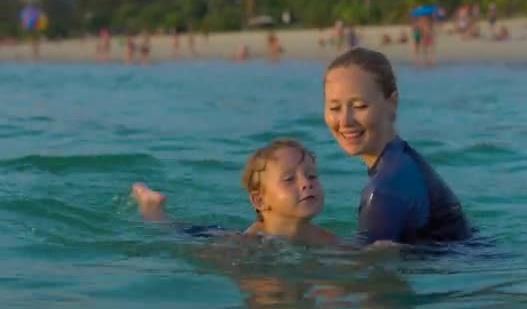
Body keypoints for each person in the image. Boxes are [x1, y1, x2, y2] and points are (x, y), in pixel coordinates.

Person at [323, 47, 472, 245]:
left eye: (359, 106)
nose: (345, 121)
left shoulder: (386, 189)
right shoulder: (402, 161)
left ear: (392, 103)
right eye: (335, 108)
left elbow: (368, 268)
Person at [132, 139, 337, 246]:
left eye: (312, 176)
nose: (306, 184)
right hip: (210, 237)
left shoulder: (326, 239)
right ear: (259, 200)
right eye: (289, 179)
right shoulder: (250, 244)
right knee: (173, 231)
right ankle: (153, 211)